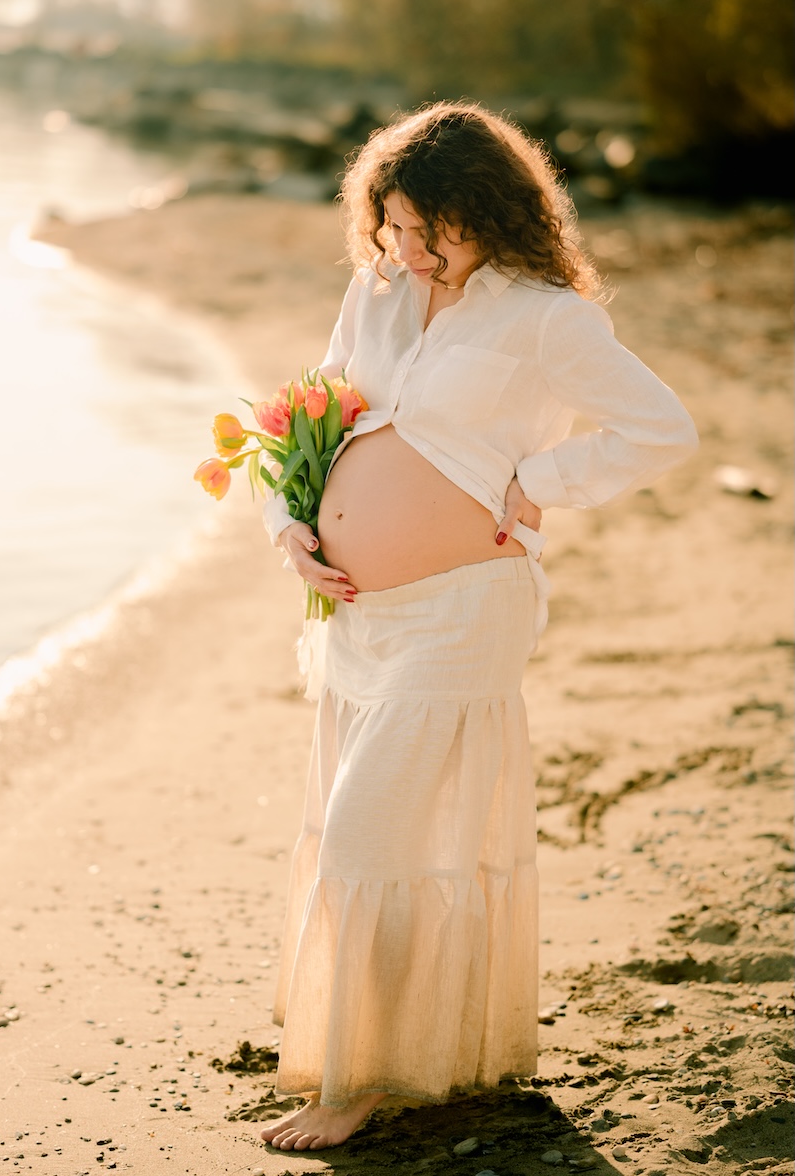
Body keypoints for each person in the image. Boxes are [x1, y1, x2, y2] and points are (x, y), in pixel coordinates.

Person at [258, 102, 698, 1152]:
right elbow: (313, 414)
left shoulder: (546, 316)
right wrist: (289, 526)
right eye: (393, 227)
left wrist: (536, 487)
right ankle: (386, 1042)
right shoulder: (378, 289)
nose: (407, 252)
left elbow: (660, 429)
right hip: (359, 614)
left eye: (430, 230)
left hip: (462, 610)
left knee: (368, 833)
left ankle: (356, 1077)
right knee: (365, 833)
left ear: (490, 211)